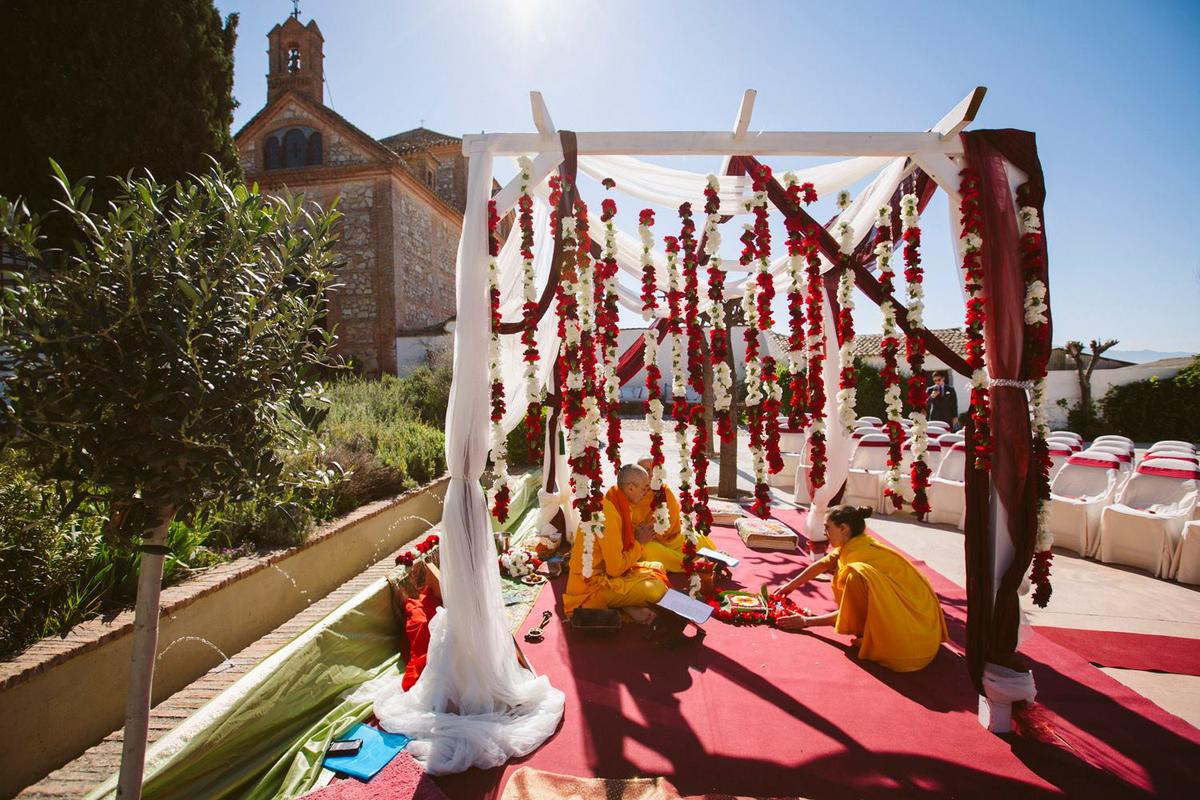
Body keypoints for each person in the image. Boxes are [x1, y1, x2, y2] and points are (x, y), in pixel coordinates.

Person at [772, 505, 948, 672]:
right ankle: (871, 632)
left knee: (854, 576)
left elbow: (848, 612)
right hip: (926, 635)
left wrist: (805, 622)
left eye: (827, 527)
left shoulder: (857, 568)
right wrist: (789, 586)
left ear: (843, 529)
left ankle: (875, 638)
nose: (824, 533)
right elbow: (822, 565)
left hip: (907, 650)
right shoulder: (856, 543)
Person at [563, 464, 670, 624]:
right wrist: (639, 543)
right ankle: (622, 606)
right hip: (591, 587)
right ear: (631, 488)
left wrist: (635, 535)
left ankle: (626, 607)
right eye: (644, 488)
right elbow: (615, 570)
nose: (647, 492)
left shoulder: (616, 500)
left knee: (658, 567)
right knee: (657, 590)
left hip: (604, 573)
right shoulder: (609, 515)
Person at [634, 457, 719, 572]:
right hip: (651, 542)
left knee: (696, 538)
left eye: (653, 470)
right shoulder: (633, 493)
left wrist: (651, 528)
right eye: (646, 470)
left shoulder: (664, 491)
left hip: (673, 538)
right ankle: (693, 562)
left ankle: (711, 558)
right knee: (648, 552)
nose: (650, 474)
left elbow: (673, 523)